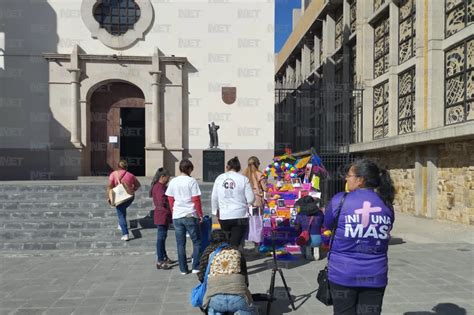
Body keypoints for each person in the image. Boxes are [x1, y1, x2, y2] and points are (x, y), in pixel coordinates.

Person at [324, 159, 395, 315]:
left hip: (343, 273)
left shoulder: (339, 201)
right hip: (375, 275)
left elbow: (327, 225)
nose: (346, 179)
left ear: (360, 180)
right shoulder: (387, 204)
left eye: (349, 175)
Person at [197, 229, 256, 315]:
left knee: (214, 310)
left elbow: (201, 277)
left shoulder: (208, 252)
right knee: (247, 309)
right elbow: (245, 278)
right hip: (238, 298)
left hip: (215, 299)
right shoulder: (236, 251)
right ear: (227, 239)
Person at [165, 159, 203, 275]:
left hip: (177, 215)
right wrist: (200, 214)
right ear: (189, 169)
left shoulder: (173, 181)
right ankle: (196, 266)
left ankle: (183, 268)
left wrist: (173, 211)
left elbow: (170, 199)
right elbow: (196, 199)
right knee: (197, 242)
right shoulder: (191, 181)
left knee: (180, 243)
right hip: (190, 214)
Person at [211, 157, 255, 247]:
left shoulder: (219, 178)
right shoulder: (243, 179)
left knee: (226, 240)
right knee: (236, 242)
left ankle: (226, 257)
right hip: (240, 215)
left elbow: (214, 197)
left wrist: (215, 211)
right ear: (238, 168)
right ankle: (235, 257)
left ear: (227, 167)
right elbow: (251, 198)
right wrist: (247, 204)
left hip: (224, 215)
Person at [107, 160, 141, 241]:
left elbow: (109, 186)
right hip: (129, 197)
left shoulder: (113, 174)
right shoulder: (131, 175)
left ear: (118, 166)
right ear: (126, 167)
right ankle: (120, 224)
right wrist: (132, 190)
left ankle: (125, 233)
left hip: (119, 197)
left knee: (121, 214)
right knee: (122, 210)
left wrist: (109, 197)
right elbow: (138, 185)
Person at [150, 167, 175, 270]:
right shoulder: (159, 187)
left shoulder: (159, 186)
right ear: (162, 177)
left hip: (162, 214)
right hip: (162, 214)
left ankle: (164, 256)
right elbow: (162, 200)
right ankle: (160, 260)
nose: (168, 180)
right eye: (167, 178)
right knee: (161, 238)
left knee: (163, 237)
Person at [294, 196, 324, 260]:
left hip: (306, 239)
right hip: (318, 239)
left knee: (304, 241)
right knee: (316, 242)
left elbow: (297, 227)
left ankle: (307, 254)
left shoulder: (300, 214)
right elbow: (323, 224)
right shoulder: (320, 213)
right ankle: (316, 253)